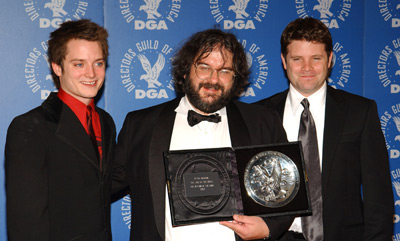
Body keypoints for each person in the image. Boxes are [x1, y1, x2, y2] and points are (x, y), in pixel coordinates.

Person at [112, 28, 293, 241]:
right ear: (186, 70)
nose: (213, 79)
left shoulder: (262, 123)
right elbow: (102, 185)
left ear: (235, 78)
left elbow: (289, 189)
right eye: (204, 67)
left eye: (225, 71)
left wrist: (268, 228)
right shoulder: (141, 125)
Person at [256, 17, 393, 240]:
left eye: (316, 58)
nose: (307, 68)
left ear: (330, 59)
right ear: (284, 61)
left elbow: (378, 197)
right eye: (297, 59)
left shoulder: (360, 112)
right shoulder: (259, 114)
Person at [5, 19, 116, 241]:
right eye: (79, 64)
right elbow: (26, 223)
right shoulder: (29, 128)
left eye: (98, 63)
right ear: (57, 67)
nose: (91, 74)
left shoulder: (106, 122)